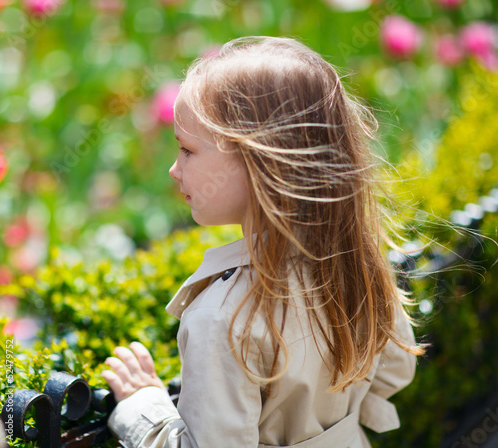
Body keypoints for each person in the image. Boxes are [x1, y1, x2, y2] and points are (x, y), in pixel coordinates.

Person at [102, 36, 424, 448]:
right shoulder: (356, 262)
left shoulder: (221, 317)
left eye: (187, 150)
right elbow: (396, 369)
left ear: (259, 161)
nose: (173, 169)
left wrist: (142, 405)